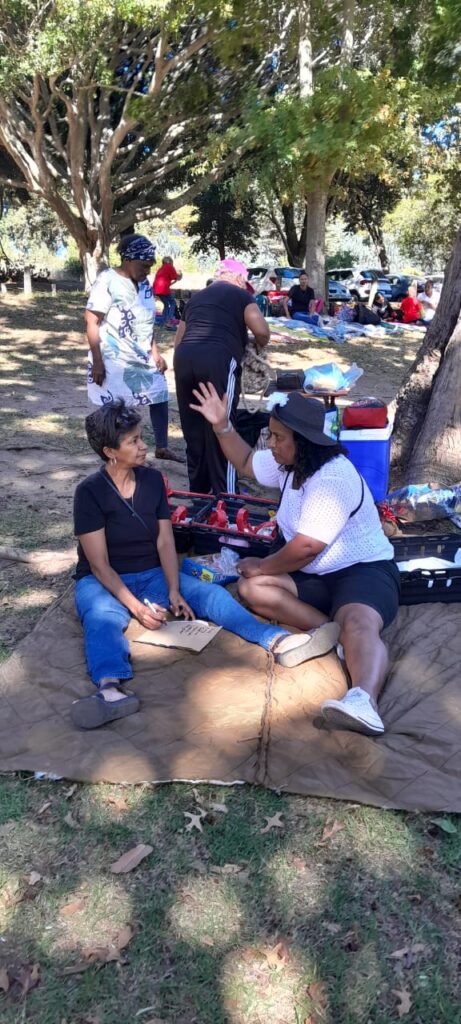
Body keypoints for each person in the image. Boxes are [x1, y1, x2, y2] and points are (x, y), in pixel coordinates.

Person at [70, 400, 339, 729]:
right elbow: (99, 566)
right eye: (134, 441)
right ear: (110, 452)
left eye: (141, 437)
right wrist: (136, 608)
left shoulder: (152, 480)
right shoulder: (90, 492)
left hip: (152, 573)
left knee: (210, 595)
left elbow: (165, 542)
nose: (143, 446)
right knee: (101, 617)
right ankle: (110, 689)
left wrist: (173, 590)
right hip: (103, 581)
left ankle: (277, 640)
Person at [190, 385, 401, 737]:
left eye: (278, 437)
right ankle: (332, 633)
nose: (270, 444)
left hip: (362, 570)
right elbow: (245, 462)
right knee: (251, 588)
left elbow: (306, 548)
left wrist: (263, 564)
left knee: (359, 622)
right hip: (312, 573)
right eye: (270, 435)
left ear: (303, 442)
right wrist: (222, 425)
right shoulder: (289, 465)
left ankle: (363, 700)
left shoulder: (332, 478)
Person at [173, 258, 270, 494]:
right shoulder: (242, 296)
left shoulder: (196, 299)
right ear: (238, 278)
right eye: (244, 282)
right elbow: (262, 331)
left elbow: (178, 341)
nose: (245, 286)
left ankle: (199, 494)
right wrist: (254, 343)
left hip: (184, 360)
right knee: (222, 428)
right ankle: (225, 497)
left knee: (194, 431)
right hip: (217, 359)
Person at [85, 233, 182, 463]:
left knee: (159, 393)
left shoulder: (145, 285)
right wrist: (97, 361)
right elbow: (91, 321)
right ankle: (114, 452)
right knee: (115, 408)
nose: (148, 271)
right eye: (144, 265)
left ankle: (162, 447)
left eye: (150, 266)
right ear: (128, 260)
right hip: (114, 358)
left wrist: (155, 353)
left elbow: (146, 321)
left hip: (142, 354)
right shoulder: (107, 280)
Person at [153, 256, 182, 323]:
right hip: (164, 289)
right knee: (172, 303)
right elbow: (176, 277)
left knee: (166, 304)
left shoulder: (161, 268)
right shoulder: (170, 267)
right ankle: (170, 319)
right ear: (170, 262)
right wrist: (177, 278)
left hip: (156, 289)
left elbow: (167, 282)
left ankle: (163, 320)